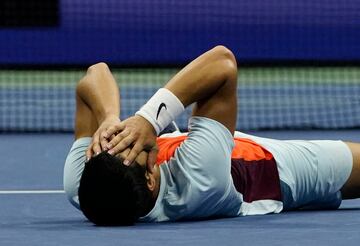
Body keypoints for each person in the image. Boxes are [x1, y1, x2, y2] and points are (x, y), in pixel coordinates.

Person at [64, 46, 360, 226]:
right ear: (152, 177)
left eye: (109, 141)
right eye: (127, 145)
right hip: (271, 170)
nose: (120, 138)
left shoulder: (83, 185)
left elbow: (96, 72)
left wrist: (108, 119)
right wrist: (147, 120)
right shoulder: (199, 178)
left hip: (208, 143)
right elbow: (222, 62)